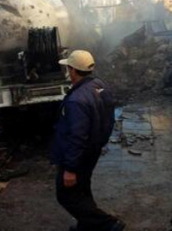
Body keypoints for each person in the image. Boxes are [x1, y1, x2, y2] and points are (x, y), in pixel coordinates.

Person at [51, 50, 125, 231]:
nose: (68, 71)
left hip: (79, 155)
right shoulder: (99, 86)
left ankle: (108, 224)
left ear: (73, 71)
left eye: (68, 68)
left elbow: (78, 136)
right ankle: (87, 226)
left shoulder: (76, 100)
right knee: (82, 189)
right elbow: (109, 119)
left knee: (66, 195)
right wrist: (99, 143)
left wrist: (70, 168)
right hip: (92, 150)